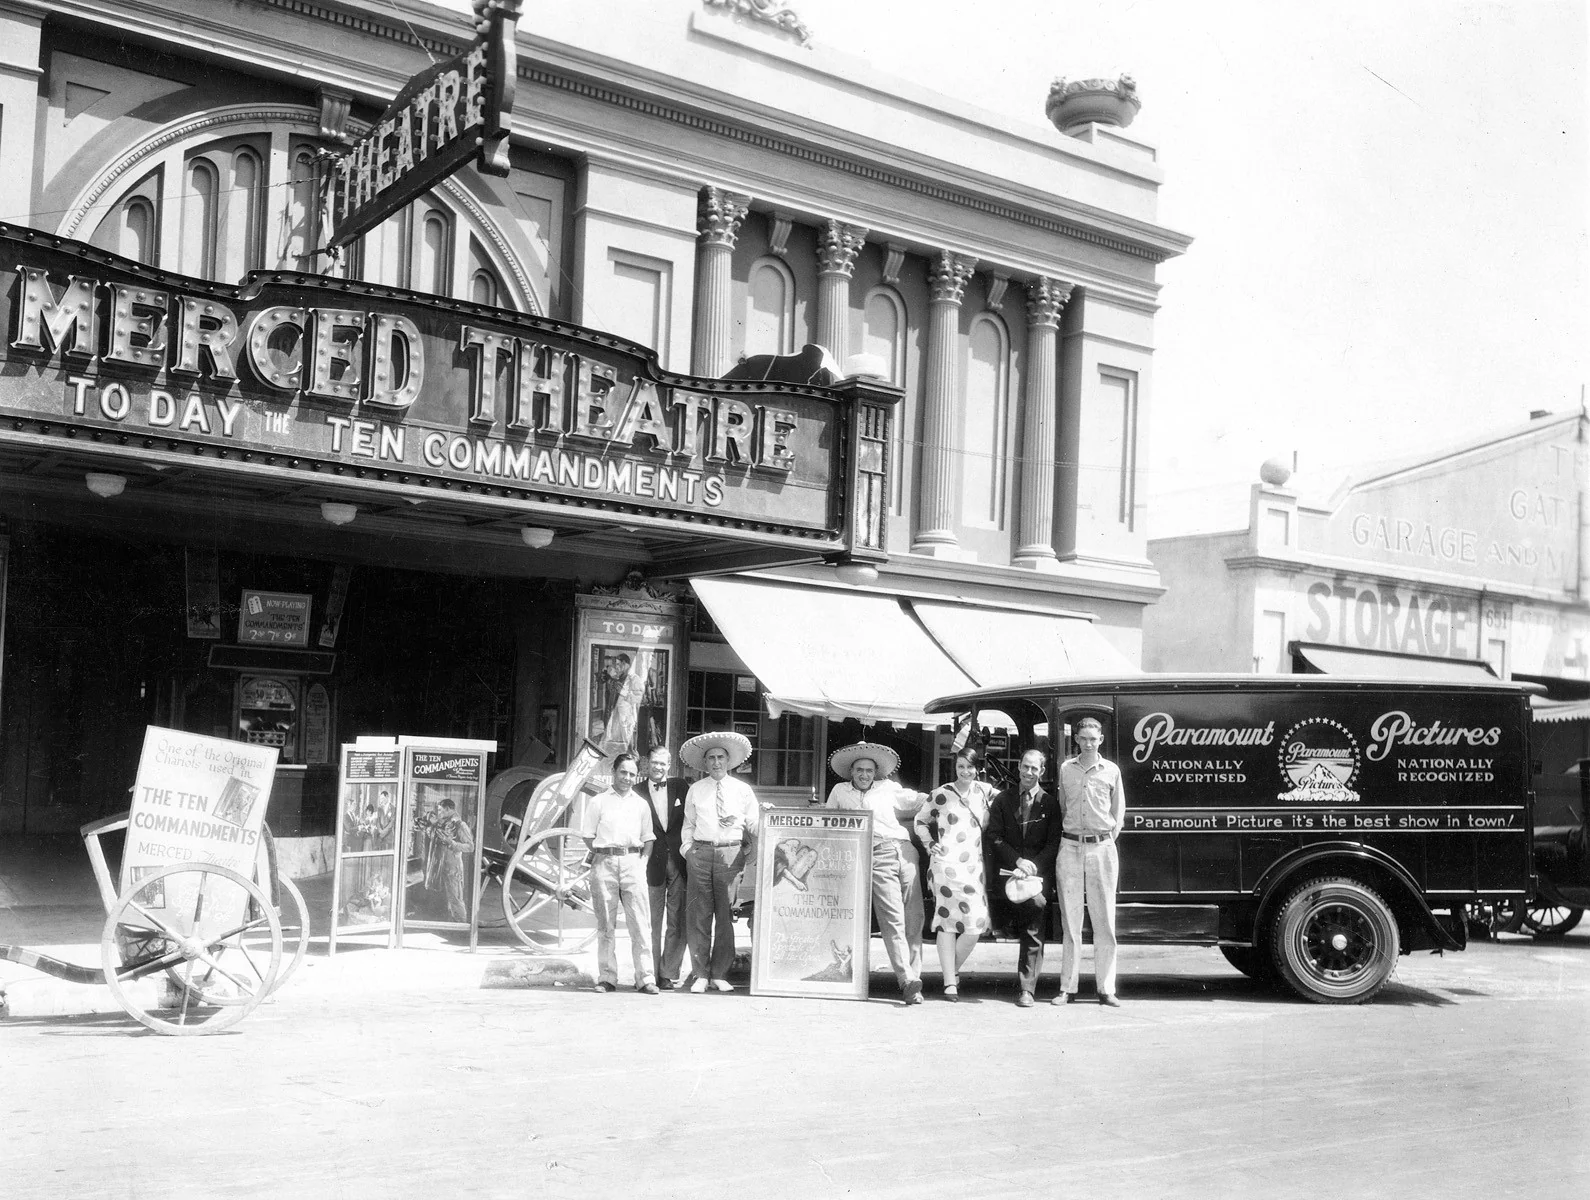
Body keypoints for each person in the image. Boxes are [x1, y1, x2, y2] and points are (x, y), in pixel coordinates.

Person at [825, 741, 928, 1006]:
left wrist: (948, 795)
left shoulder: (888, 788)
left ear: (876, 772)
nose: (864, 775)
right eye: (859, 770)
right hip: (877, 854)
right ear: (851, 772)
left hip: (905, 851)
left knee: (914, 917)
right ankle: (906, 979)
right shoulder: (839, 791)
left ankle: (913, 982)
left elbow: (920, 800)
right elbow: (826, 821)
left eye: (869, 770)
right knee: (893, 919)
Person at [679, 730, 758, 993]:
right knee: (699, 915)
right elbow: (688, 825)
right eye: (711, 758)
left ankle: (720, 973)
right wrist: (688, 850)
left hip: (730, 854)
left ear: (728, 761)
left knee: (725, 915)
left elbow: (753, 822)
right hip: (701, 853)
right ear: (705, 763)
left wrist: (766, 820)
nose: (716, 762)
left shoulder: (743, 790)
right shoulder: (696, 790)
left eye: (720, 757)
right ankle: (700, 973)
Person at [1056, 716, 1127, 1006]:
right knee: (1071, 922)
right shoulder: (1066, 770)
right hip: (1070, 847)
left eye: (1093, 738)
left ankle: (1106, 988)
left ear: (1101, 740)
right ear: (1076, 739)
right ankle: (1067, 988)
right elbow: (1063, 807)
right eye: (1083, 738)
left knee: (1104, 921)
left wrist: (1105, 839)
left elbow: (1118, 812)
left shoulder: (1111, 771)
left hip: (1101, 848)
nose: (1088, 743)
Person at [914, 747, 994, 1001]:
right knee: (947, 922)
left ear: (977, 768)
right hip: (945, 865)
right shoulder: (942, 793)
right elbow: (920, 821)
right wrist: (929, 844)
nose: (965, 771)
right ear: (955, 767)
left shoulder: (984, 791)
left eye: (970, 767)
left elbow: (1010, 800)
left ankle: (952, 970)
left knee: (976, 924)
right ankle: (950, 982)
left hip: (974, 867)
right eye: (961, 766)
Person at [987, 748, 1063, 1008]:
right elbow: (994, 836)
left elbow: (1053, 844)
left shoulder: (1050, 803)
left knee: (1036, 906)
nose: (1029, 772)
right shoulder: (1003, 800)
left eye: (1035, 768)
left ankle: (1027, 989)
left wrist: (1032, 866)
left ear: (1042, 772)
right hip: (1007, 873)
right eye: (1025, 767)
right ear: (1018, 766)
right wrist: (1015, 861)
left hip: (1035, 877)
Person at [579, 752, 658, 994]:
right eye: (623, 772)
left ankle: (645, 978)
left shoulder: (641, 804)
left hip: (633, 863)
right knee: (606, 925)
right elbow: (588, 836)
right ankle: (607, 977)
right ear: (614, 772)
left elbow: (648, 838)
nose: (627, 777)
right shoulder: (599, 802)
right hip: (605, 864)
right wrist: (606, 854)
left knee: (641, 924)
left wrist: (641, 862)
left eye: (632, 774)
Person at [640, 744, 690, 988]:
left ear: (669, 765)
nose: (658, 767)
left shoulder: (681, 787)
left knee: (677, 920)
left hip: (679, 862)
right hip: (651, 863)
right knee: (651, 921)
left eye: (663, 763)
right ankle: (650, 974)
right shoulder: (637, 791)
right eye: (654, 762)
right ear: (646, 764)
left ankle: (668, 973)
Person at [425, 797, 474, 923]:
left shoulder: (460, 825)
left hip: (453, 867)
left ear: (448, 809)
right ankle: (454, 925)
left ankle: (461, 926)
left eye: (441, 810)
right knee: (449, 899)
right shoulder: (443, 823)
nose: (439, 813)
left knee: (455, 899)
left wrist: (451, 843)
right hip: (442, 866)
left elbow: (470, 847)